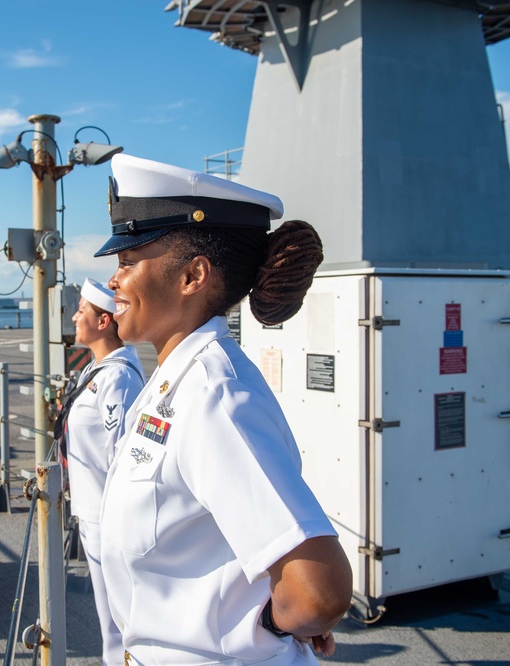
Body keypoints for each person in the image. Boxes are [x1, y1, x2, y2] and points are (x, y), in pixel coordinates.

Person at [93, 154, 352, 665]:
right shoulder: (175, 381)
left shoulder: (213, 395)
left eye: (128, 261)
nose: (114, 282)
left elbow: (317, 592)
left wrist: (269, 624)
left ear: (193, 276)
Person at [60, 278, 145, 665]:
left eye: (82, 311)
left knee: (120, 624)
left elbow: (122, 456)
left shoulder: (118, 378)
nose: (75, 317)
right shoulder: (95, 371)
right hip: (92, 514)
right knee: (109, 620)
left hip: (108, 522)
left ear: (103, 322)